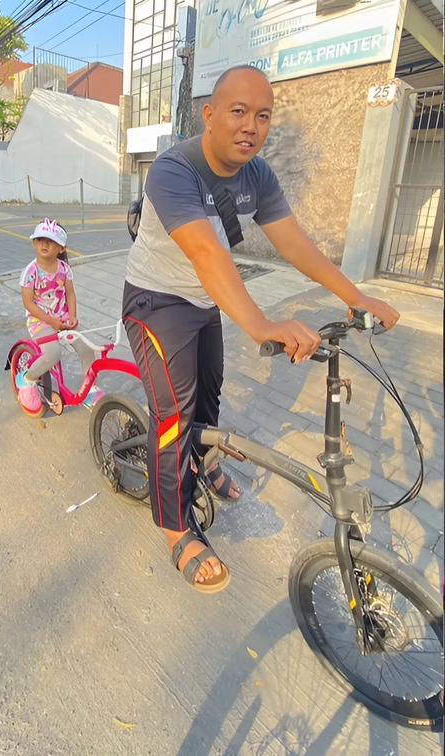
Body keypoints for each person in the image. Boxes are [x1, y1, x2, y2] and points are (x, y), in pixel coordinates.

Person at [122, 65, 399, 594]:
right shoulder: (172, 169)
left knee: (210, 394)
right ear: (209, 116)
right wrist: (261, 323)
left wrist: (355, 296)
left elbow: (294, 243)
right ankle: (175, 525)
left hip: (204, 300)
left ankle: (200, 466)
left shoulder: (258, 176)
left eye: (264, 115)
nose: (252, 125)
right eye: (238, 111)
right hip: (156, 300)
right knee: (173, 414)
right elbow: (205, 251)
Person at [15, 218, 104, 412]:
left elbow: (70, 293)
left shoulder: (64, 270)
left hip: (62, 319)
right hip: (40, 323)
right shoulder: (30, 272)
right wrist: (51, 322)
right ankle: (27, 379)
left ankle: (90, 389)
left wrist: (72, 316)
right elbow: (28, 302)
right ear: (34, 243)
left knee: (87, 346)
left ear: (61, 248)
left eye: (51, 240)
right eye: (40, 239)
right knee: (53, 353)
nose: (44, 244)